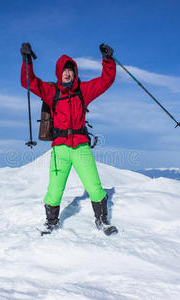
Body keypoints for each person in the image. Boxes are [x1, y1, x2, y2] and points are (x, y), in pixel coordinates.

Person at [20, 42, 116, 234]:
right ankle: (51, 222)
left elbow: (106, 81)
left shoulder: (84, 91)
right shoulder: (52, 91)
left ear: (75, 73)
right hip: (60, 149)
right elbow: (28, 82)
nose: (67, 73)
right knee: (54, 190)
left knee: (95, 187)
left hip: (81, 147)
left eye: (70, 70)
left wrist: (107, 60)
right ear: (59, 73)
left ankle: (102, 221)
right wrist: (27, 60)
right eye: (64, 70)